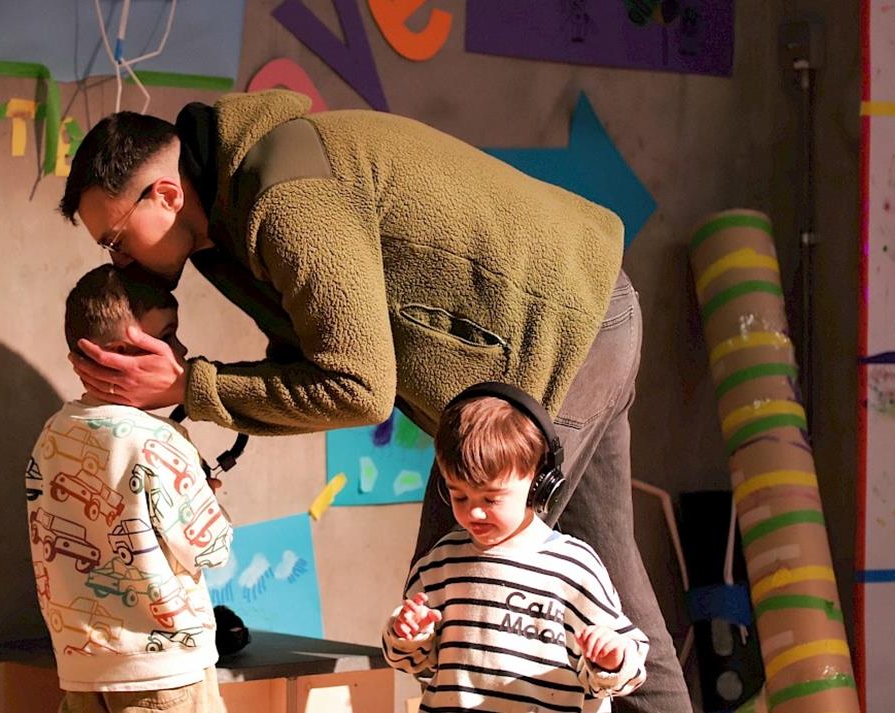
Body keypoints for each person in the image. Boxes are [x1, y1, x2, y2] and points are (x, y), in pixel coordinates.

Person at [57, 89, 690, 713]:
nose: (119, 257)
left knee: (455, 585)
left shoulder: (285, 198)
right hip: (584, 315)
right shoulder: (228, 223)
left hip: (560, 328)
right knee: (611, 597)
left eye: (115, 238)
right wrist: (192, 389)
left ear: (165, 195)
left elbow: (358, 386)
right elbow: (308, 361)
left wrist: (189, 386)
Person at [26, 265, 232, 713]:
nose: (182, 349)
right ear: (122, 352)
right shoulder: (159, 440)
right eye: (170, 335)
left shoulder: (52, 435)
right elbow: (209, 549)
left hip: (83, 670)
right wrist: (207, 498)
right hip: (166, 675)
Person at [383, 382, 647, 712]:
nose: (474, 511)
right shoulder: (438, 565)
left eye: (491, 498)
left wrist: (612, 658)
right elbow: (418, 666)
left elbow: (628, 667)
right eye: (459, 495)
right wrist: (408, 636)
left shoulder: (574, 568)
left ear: (540, 484)